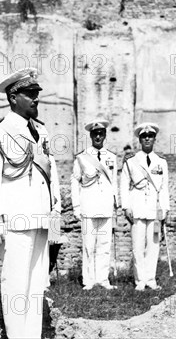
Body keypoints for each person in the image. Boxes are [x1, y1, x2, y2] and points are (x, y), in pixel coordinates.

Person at [0, 68, 61, 339]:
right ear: (13, 97)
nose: (35, 99)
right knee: (16, 282)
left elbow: (52, 174)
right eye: (29, 94)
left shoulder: (42, 131)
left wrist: (55, 211)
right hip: (15, 219)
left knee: (37, 283)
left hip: (40, 216)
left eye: (36, 94)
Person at [120, 122, 170, 291]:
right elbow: (124, 185)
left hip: (154, 208)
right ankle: (140, 280)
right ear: (139, 139)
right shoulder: (131, 161)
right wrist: (126, 207)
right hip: (137, 207)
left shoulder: (161, 161)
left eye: (150, 136)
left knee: (153, 245)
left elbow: (164, 187)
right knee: (138, 246)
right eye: (144, 136)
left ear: (154, 139)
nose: (147, 139)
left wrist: (165, 208)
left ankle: (151, 278)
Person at [71, 118, 118, 290]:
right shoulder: (82, 157)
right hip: (88, 206)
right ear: (91, 135)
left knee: (105, 245)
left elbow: (114, 182)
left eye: (101, 133)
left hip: (105, 206)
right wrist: (76, 206)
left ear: (105, 135)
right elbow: (75, 181)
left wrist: (116, 203)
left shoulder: (112, 157)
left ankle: (103, 279)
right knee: (89, 245)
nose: (98, 136)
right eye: (95, 133)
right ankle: (88, 280)